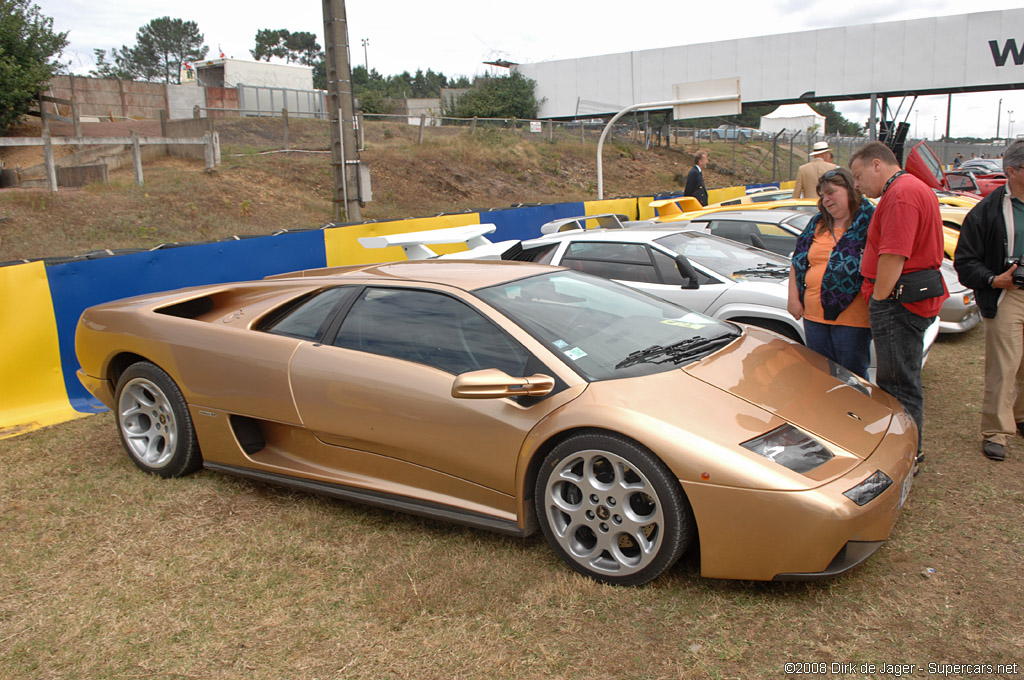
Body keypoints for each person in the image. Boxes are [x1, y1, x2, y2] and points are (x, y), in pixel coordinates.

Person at [850, 142, 948, 472]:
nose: (857, 185)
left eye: (858, 175)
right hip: (907, 299)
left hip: (897, 303)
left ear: (877, 164)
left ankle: (908, 455)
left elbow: (893, 254)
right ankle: (907, 449)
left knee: (898, 384)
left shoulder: (900, 194)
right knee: (901, 379)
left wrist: (879, 299)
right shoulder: (913, 188)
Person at [953, 138, 1024, 462]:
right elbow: (965, 262)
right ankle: (996, 430)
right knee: (1004, 365)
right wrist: (995, 280)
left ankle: (1020, 416)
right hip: (1008, 293)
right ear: (1012, 170)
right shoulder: (987, 210)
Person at [787, 168, 873, 378]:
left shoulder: (869, 222)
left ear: (851, 189)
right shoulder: (817, 223)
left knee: (853, 377)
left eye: (831, 192)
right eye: (822, 195)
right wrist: (793, 299)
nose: (826, 199)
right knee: (821, 376)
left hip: (852, 319)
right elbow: (797, 262)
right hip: (814, 316)